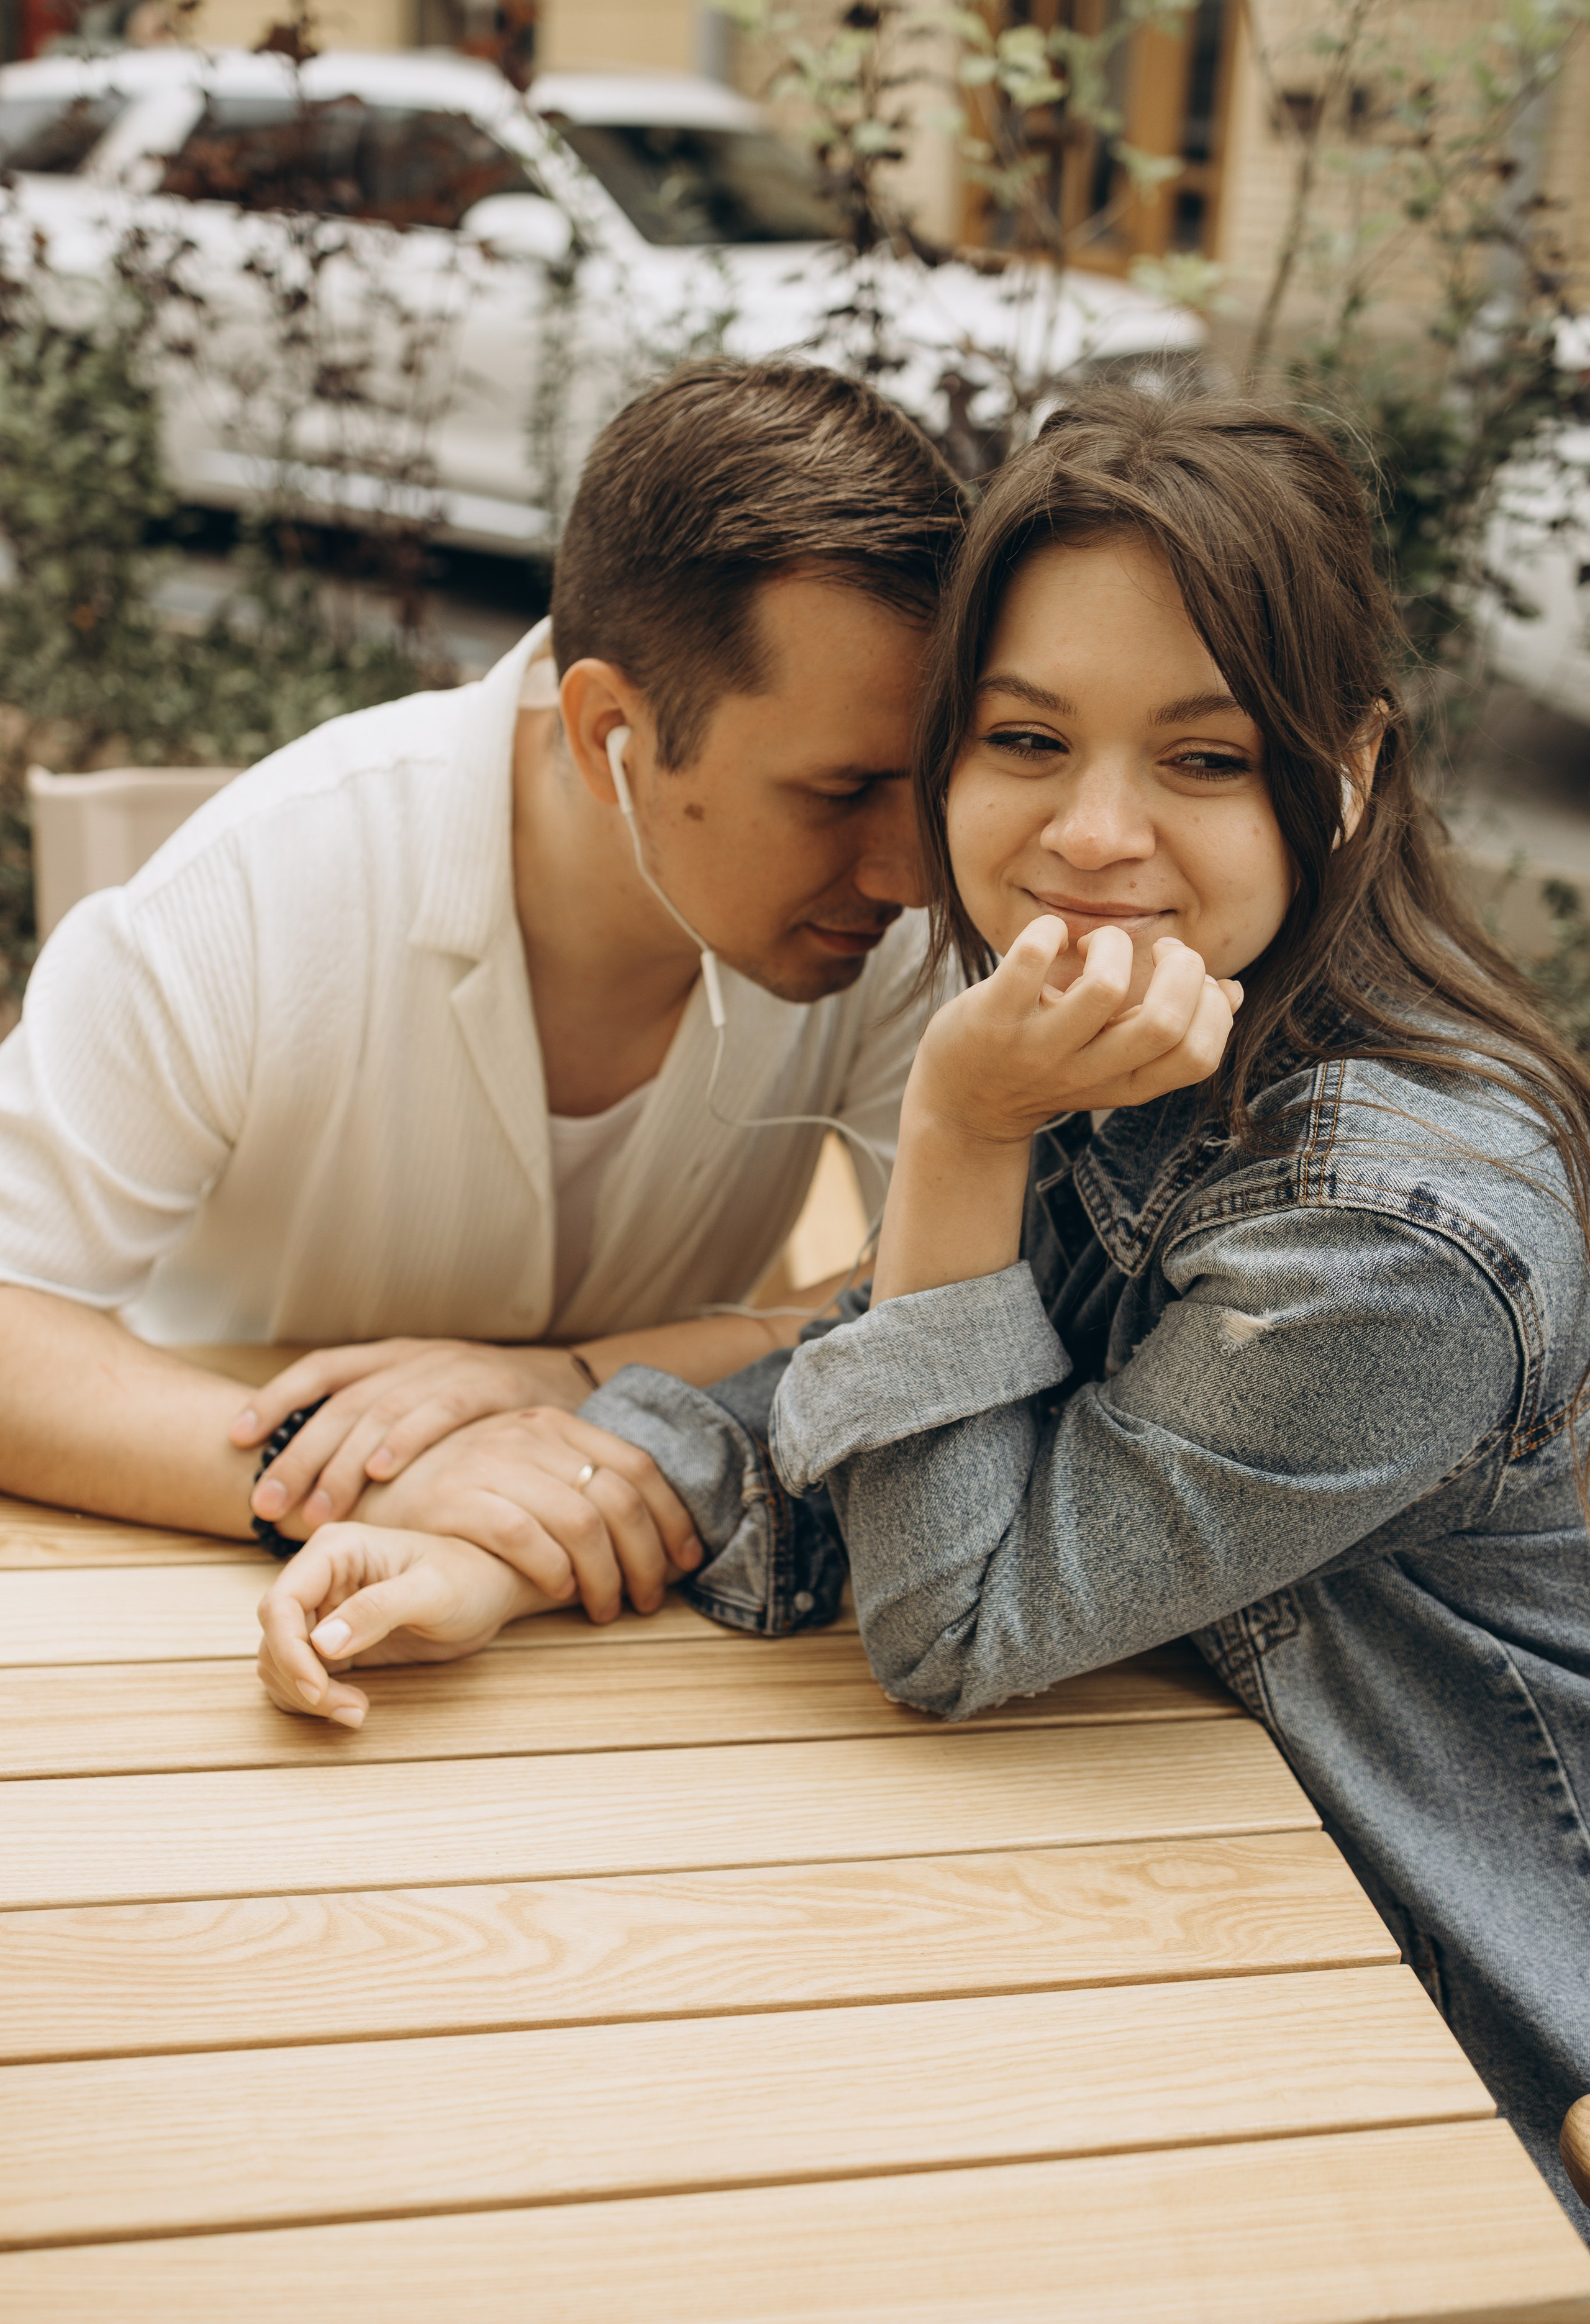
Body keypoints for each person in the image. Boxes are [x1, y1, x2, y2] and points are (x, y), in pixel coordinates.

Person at [258, 386, 1590, 2231]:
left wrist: (955, 1130)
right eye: (1026, 738)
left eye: (1205, 761)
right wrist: (531, 1525)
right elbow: (887, 1386)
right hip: (1152, 1880)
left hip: (1438, 2024)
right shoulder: (1156, 1029)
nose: (1095, 833)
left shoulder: (1389, 1237)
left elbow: (954, 1607)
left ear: (1346, 769)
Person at [0, 356, 964, 1611]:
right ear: (605, 732)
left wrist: (572, 1378)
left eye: (923, 780)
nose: (906, 870)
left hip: (643, 1590)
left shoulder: (889, 917)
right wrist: (344, 1479)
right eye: (838, 792)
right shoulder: (268, 880)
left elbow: (937, 1308)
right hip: (207, 1578)